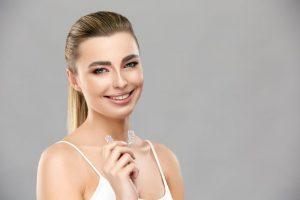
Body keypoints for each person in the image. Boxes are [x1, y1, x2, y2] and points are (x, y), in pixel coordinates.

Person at [36, 11, 184, 200]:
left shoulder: (164, 159)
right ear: (74, 80)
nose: (120, 82)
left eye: (129, 64)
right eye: (100, 70)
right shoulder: (61, 162)